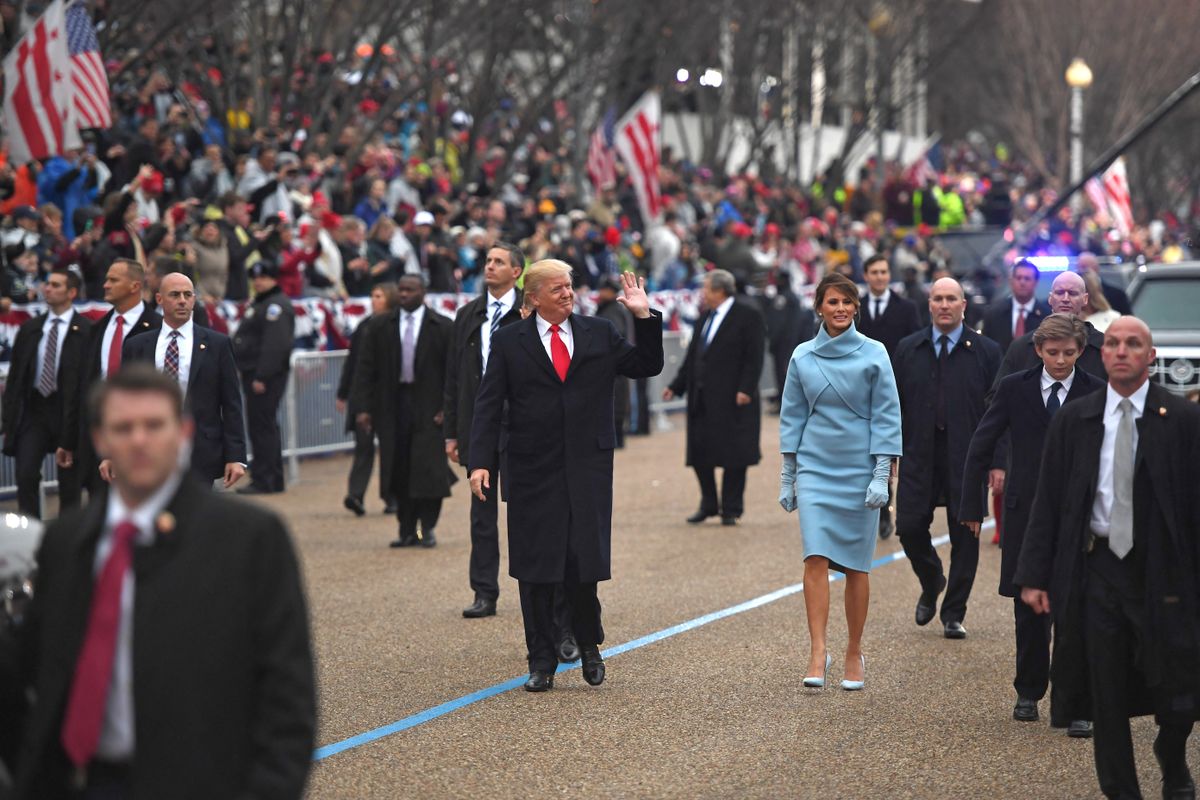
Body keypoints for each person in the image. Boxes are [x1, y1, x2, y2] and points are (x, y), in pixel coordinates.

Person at [14, 365, 315, 798]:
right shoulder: (65, 541)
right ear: (100, 439)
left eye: (154, 425)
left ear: (184, 432)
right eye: (123, 427)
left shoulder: (249, 539)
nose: (139, 440)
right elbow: (32, 674)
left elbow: (288, 696)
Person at [1015, 317, 1199, 800]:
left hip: (1163, 572)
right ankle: (1123, 791)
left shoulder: (1181, 420)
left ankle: (1172, 752)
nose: (1120, 351)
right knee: (1107, 694)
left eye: (1132, 344)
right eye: (1113, 343)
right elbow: (1049, 502)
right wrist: (1034, 575)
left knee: (1180, 688)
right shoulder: (1076, 420)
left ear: (1150, 356)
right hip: (1098, 571)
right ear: (1102, 353)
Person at [467, 263, 663, 692]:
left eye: (569, 287)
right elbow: (488, 403)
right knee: (535, 569)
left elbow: (647, 365)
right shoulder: (508, 341)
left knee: (581, 564)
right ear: (533, 297)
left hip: (586, 469)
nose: (567, 294)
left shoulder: (598, 332)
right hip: (531, 468)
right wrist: (479, 462)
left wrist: (643, 317)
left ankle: (589, 645)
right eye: (557, 289)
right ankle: (540, 660)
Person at [959, 314, 1103, 736]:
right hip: (1025, 512)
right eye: (1052, 352)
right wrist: (972, 504)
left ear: (1081, 352)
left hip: (1081, 513)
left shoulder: (1095, 392)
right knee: (1028, 605)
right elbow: (982, 443)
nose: (1060, 361)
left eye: (1069, 353)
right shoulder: (1014, 388)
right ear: (1038, 350)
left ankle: (1078, 701)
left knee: (1077, 605)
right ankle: (1028, 689)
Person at [778, 272, 901, 691]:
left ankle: (853, 651)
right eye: (833, 302)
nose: (841, 309)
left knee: (855, 565)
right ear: (819, 307)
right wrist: (788, 475)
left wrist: (882, 476)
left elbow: (887, 414)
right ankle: (818, 651)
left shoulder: (875, 353)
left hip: (859, 468)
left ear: (856, 307)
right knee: (814, 557)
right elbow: (792, 415)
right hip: (816, 466)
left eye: (847, 302)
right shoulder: (801, 356)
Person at [892, 277, 1002, 639]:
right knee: (908, 527)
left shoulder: (986, 351)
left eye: (951, 299)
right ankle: (931, 579)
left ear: (963, 305)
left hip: (967, 458)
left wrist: (998, 461)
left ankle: (953, 612)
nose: (944, 305)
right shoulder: (909, 349)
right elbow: (893, 407)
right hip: (918, 454)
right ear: (929, 305)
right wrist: (888, 452)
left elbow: (999, 411)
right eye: (937, 299)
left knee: (965, 536)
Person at [445, 243, 525, 616]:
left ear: (516, 271)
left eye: (498, 262)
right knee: (481, 513)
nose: (489, 267)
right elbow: (453, 378)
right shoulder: (467, 315)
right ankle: (484, 591)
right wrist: (452, 431)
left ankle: (537, 590)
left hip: (521, 427)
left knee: (527, 511)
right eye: (488, 261)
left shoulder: (531, 311)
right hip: (478, 426)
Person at [351, 274, 454, 548]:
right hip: (393, 405)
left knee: (429, 471)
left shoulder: (442, 326)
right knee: (399, 469)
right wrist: (362, 407)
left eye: (411, 289)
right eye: (402, 290)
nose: (405, 294)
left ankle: (428, 527)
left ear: (423, 291)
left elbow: (454, 373)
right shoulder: (381, 326)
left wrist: (448, 407)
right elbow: (365, 369)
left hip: (429, 407)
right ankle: (406, 529)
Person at [118, 273, 247, 490]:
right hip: (148, 449)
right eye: (175, 295)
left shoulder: (218, 344)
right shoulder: (137, 346)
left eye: (188, 295)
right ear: (159, 299)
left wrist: (236, 456)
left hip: (200, 451)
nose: (182, 301)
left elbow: (231, 403)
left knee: (196, 520)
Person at [663, 269, 765, 526]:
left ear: (720, 291)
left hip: (733, 398)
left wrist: (746, 388)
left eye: (707, 288)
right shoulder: (704, 317)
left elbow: (754, 357)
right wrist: (676, 386)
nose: (703, 293)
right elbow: (694, 357)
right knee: (700, 453)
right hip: (702, 397)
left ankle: (731, 508)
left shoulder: (747, 315)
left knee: (734, 455)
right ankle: (708, 503)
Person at [0, 270, 91, 517]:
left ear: (71, 292)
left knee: (69, 481)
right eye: (47, 284)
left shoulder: (86, 331)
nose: (47, 289)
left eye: (55, 285)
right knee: (25, 473)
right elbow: (17, 377)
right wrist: (9, 419)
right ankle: (31, 533)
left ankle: (66, 539)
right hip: (34, 411)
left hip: (67, 412)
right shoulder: (31, 328)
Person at [78, 259, 161, 494]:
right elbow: (84, 383)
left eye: (113, 280)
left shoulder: (158, 328)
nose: (105, 285)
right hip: (99, 428)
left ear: (135, 286)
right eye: (106, 279)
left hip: (140, 432)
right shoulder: (97, 328)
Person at [856, 253, 920, 540]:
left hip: (896, 389)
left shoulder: (905, 308)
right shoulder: (855, 308)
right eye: (874, 272)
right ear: (866, 275)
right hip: (860, 391)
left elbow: (916, 346)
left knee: (888, 449)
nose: (880, 277)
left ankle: (886, 509)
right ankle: (870, 508)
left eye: (884, 272)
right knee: (863, 449)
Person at [233, 261, 295, 495]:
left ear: (274, 279)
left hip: (264, 375)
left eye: (264, 277)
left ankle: (265, 479)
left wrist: (262, 376)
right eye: (255, 278)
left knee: (262, 428)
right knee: (262, 426)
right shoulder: (262, 303)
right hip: (255, 372)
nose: (258, 282)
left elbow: (274, 346)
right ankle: (271, 478)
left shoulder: (275, 307)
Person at [338, 283, 398, 516]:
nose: (374, 300)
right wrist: (343, 393)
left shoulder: (395, 325)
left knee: (390, 450)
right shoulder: (364, 326)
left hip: (387, 397)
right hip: (363, 396)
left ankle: (391, 496)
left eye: (379, 296)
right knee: (363, 448)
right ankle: (355, 494)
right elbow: (352, 363)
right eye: (373, 296)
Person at [992, 270, 1106, 392]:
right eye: (1060, 292)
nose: (1066, 299)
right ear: (1050, 298)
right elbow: (997, 397)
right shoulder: (1022, 347)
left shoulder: (1103, 347)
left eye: (1072, 293)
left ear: (1085, 299)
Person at [978, 259, 1051, 354]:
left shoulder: (1047, 316)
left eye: (1027, 278)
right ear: (1011, 281)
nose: (1022, 282)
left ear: (1036, 282)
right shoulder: (993, 313)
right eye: (1018, 278)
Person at [594, 275, 635, 448]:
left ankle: (617, 440)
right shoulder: (612, 309)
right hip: (616, 365)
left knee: (615, 404)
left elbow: (615, 336)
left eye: (604, 290)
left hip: (613, 366)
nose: (600, 293)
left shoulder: (612, 311)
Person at [1077, 251, 1131, 316]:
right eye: (1079, 267)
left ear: (1096, 268)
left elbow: (1127, 320)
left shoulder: (1117, 295)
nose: (1081, 271)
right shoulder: (1072, 296)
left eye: (1084, 267)